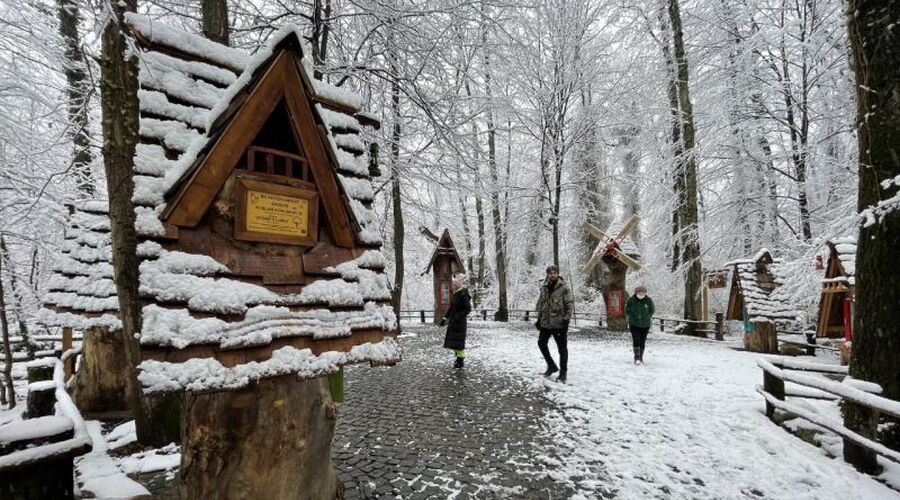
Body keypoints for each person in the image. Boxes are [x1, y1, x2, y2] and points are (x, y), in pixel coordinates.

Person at [535, 265, 574, 383]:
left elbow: (570, 305)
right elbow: (541, 305)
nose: (552, 275)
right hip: (545, 323)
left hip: (559, 324)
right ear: (547, 274)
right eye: (550, 273)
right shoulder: (544, 288)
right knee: (541, 343)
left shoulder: (564, 288)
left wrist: (566, 320)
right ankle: (551, 365)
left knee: (562, 349)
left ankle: (563, 373)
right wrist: (539, 319)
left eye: (554, 273)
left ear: (557, 274)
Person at [441, 274, 471, 368]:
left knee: (459, 343)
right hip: (453, 322)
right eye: (452, 285)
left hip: (460, 323)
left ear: (457, 286)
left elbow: (468, 309)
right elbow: (451, 308)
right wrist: (445, 318)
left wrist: (458, 316)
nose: (452, 287)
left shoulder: (463, 295)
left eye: (454, 285)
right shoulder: (456, 294)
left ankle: (460, 361)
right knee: (454, 343)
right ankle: (458, 359)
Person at [625, 285, 655, 365]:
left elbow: (652, 310)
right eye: (639, 293)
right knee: (636, 339)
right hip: (634, 324)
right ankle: (636, 358)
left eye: (643, 293)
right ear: (636, 293)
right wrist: (631, 317)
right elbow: (626, 309)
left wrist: (647, 316)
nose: (641, 295)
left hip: (645, 325)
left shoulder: (648, 300)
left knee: (642, 341)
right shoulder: (631, 300)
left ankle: (641, 357)